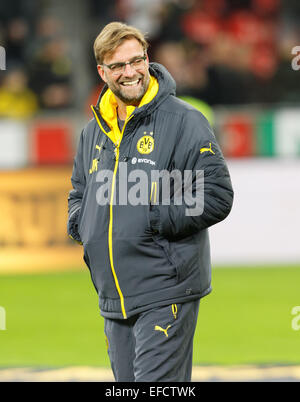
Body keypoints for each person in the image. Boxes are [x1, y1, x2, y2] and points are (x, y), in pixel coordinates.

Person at [67, 21, 233, 382]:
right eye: (118, 66)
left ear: (147, 59)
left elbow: (216, 195)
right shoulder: (93, 130)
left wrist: (152, 217)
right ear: (102, 72)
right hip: (114, 295)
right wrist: (82, 224)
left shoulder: (185, 120)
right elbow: (79, 191)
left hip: (165, 289)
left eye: (136, 60)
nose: (130, 72)